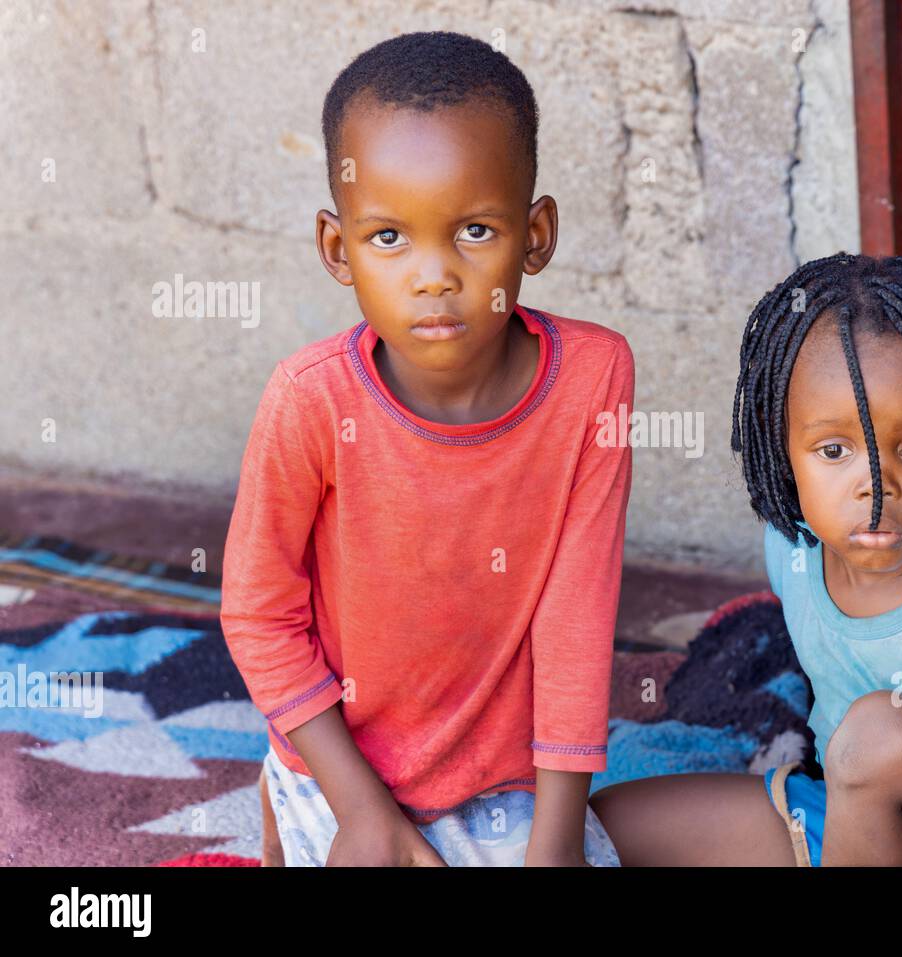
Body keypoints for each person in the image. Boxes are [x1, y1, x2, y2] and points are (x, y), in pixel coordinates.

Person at [220, 31, 633, 867]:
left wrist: (557, 843)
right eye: (388, 238)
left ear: (536, 235)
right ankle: (286, 794)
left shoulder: (594, 376)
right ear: (338, 249)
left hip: (504, 782)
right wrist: (359, 809)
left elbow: (575, 615)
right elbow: (258, 612)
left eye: (476, 230)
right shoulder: (311, 400)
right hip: (346, 770)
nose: (434, 274)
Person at [591, 254, 902, 866]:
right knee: (603, 827)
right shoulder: (795, 547)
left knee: (877, 730)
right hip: (844, 816)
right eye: (834, 450)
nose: (875, 487)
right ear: (782, 449)